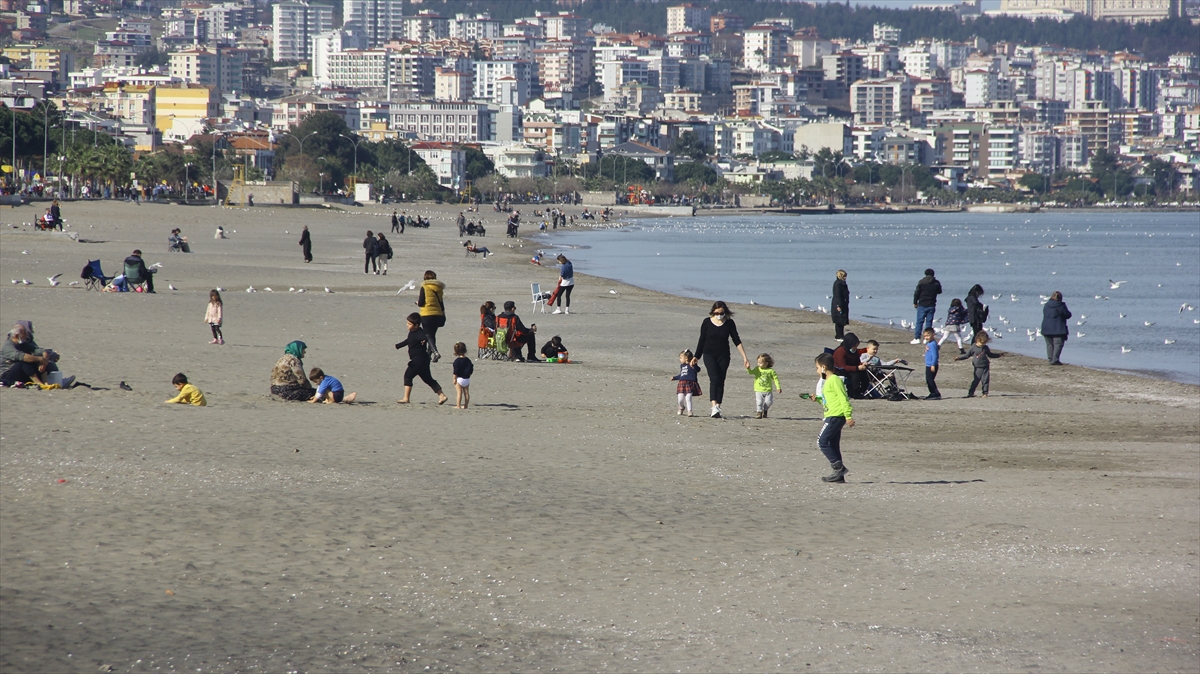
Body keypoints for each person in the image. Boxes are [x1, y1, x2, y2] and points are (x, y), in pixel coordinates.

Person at [691, 301, 750, 419]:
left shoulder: (729, 323)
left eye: (721, 313)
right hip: (709, 354)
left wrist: (745, 357)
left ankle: (718, 406)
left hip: (724, 355)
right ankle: (713, 406)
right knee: (714, 378)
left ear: (725, 312)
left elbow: (736, 340)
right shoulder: (707, 322)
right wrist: (696, 356)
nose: (719, 315)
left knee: (721, 380)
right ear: (713, 311)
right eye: (716, 312)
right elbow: (702, 340)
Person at [806, 353, 854, 483]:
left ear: (823, 367)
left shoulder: (834, 380)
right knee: (833, 445)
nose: (816, 371)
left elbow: (844, 398)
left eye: (817, 368)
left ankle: (839, 468)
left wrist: (848, 416)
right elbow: (828, 401)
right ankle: (839, 476)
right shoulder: (827, 382)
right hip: (832, 414)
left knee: (821, 441)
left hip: (836, 416)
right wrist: (817, 400)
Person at [395, 312, 448, 405]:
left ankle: (406, 398)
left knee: (408, 376)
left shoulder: (420, 333)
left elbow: (428, 337)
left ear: (416, 325)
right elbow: (409, 340)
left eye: (410, 324)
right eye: (407, 323)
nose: (407, 325)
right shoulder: (413, 332)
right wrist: (399, 345)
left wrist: (435, 351)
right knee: (428, 379)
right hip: (423, 360)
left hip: (419, 359)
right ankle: (442, 396)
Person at [956, 331, 1002, 397]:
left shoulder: (985, 347)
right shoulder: (973, 347)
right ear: (977, 340)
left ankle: (985, 393)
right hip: (977, 366)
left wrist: (998, 355)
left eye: (984, 343)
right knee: (976, 380)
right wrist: (959, 358)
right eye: (981, 343)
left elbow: (990, 355)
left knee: (985, 380)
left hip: (985, 365)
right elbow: (967, 355)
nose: (982, 345)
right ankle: (971, 393)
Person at [417, 271, 446, 358]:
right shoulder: (439, 288)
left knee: (428, 334)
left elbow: (421, 303)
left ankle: (435, 352)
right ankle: (428, 354)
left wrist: (417, 303)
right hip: (437, 314)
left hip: (427, 314)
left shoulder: (424, 287)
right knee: (432, 334)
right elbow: (441, 303)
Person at [831, 332, 867, 399]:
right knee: (856, 374)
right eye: (854, 346)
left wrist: (862, 365)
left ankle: (861, 391)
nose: (855, 348)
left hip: (851, 369)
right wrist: (857, 368)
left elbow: (857, 362)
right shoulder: (840, 351)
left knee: (865, 373)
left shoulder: (854, 351)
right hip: (839, 370)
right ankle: (855, 392)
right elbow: (843, 367)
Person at [911, 268, 942, 344]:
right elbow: (939, 291)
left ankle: (917, 338)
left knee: (919, 322)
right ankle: (927, 338)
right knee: (929, 322)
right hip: (931, 304)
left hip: (922, 304)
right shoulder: (936, 283)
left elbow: (917, 293)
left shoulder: (922, 282)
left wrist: (915, 302)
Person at [747, 353, 782, 419]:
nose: (758, 364)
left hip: (768, 390)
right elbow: (751, 372)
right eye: (758, 362)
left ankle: (765, 410)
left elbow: (775, 379)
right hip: (758, 389)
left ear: (766, 363)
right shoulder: (757, 369)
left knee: (769, 402)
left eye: (760, 363)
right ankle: (759, 412)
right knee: (759, 402)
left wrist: (778, 387)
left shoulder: (771, 371)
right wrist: (748, 368)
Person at [1041, 291, 1071, 366]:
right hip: (1058, 329)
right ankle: (1055, 360)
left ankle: (1051, 359)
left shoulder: (1046, 305)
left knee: (1049, 345)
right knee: (1058, 344)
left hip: (1046, 328)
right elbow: (1067, 315)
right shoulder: (1061, 305)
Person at [672, 349, 703, 416]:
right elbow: (681, 375)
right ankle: (681, 407)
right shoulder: (682, 366)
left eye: (681, 358)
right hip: (682, 383)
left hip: (690, 383)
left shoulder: (692, 365)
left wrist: (694, 365)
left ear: (686, 358)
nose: (679, 359)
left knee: (688, 397)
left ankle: (690, 411)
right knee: (680, 399)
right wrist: (674, 378)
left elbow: (698, 370)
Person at [451, 342, 473, 409]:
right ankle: (466, 405)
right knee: (466, 393)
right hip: (467, 379)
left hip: (459, 379)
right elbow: (471, 369)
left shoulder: (457, 361)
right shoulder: (468, 360)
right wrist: (469, 375)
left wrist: (454, 379)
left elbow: (455, 371)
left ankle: (458, 405)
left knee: (459, 393)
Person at [922, 327, 941, 400]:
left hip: (932, 365)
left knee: (930, 380)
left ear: (933, 335)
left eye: (927, 336)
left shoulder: (932, 344)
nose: (926, 337)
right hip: (928, 364)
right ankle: (933, 393)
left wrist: (933, 364)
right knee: (928, 379)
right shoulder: (930, 343)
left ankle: (935, 393)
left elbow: (935, 355)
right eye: (925, 336)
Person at [831, 269, 850, 341]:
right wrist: (838, 305)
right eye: (844, 276)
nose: (845, 277)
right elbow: (837, 295)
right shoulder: (838, 284)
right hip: (838, 303)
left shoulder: (842, 283)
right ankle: (838, 336)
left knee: (841, 321)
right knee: (839, 321)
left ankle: (841, 335)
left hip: (843, 303)